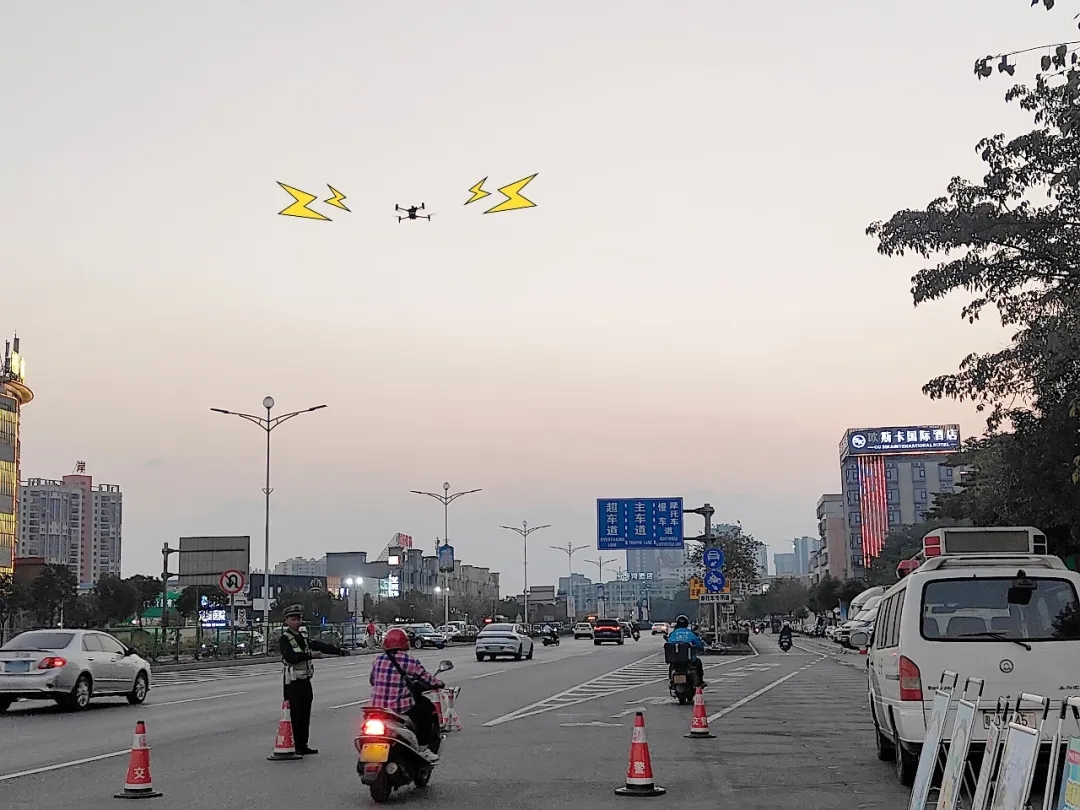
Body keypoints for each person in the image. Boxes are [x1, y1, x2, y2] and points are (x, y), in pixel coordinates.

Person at [279, 604, 348, 756]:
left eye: (298, 619)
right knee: (295, 715)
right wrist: (310, 655)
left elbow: (320, 646)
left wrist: (339, 651)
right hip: (292, 683)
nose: (297, 622)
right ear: (287, 621)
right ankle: (295, 745)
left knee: (305, 714)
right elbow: (291, 657)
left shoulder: (303, 638)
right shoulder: (285, 639)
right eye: (293, 619)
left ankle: (303, 744)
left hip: (305, 681)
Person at [368, 627, 445, 763]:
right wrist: (439, 683)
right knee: (426, 710)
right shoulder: (409, 661)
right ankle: (423, 749)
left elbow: (372, 680)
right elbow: (427, 679)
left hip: (376, 708)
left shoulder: (378, 660)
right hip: (398, 709)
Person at [666, 615, 706, 687]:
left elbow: (669, 643)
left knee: (671, 666)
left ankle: (671, 681)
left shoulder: (672, 634)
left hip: (674, 660)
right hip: (688, 660)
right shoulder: (690, 633)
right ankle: (700, 682)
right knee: (698, 662)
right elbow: (699, 644)